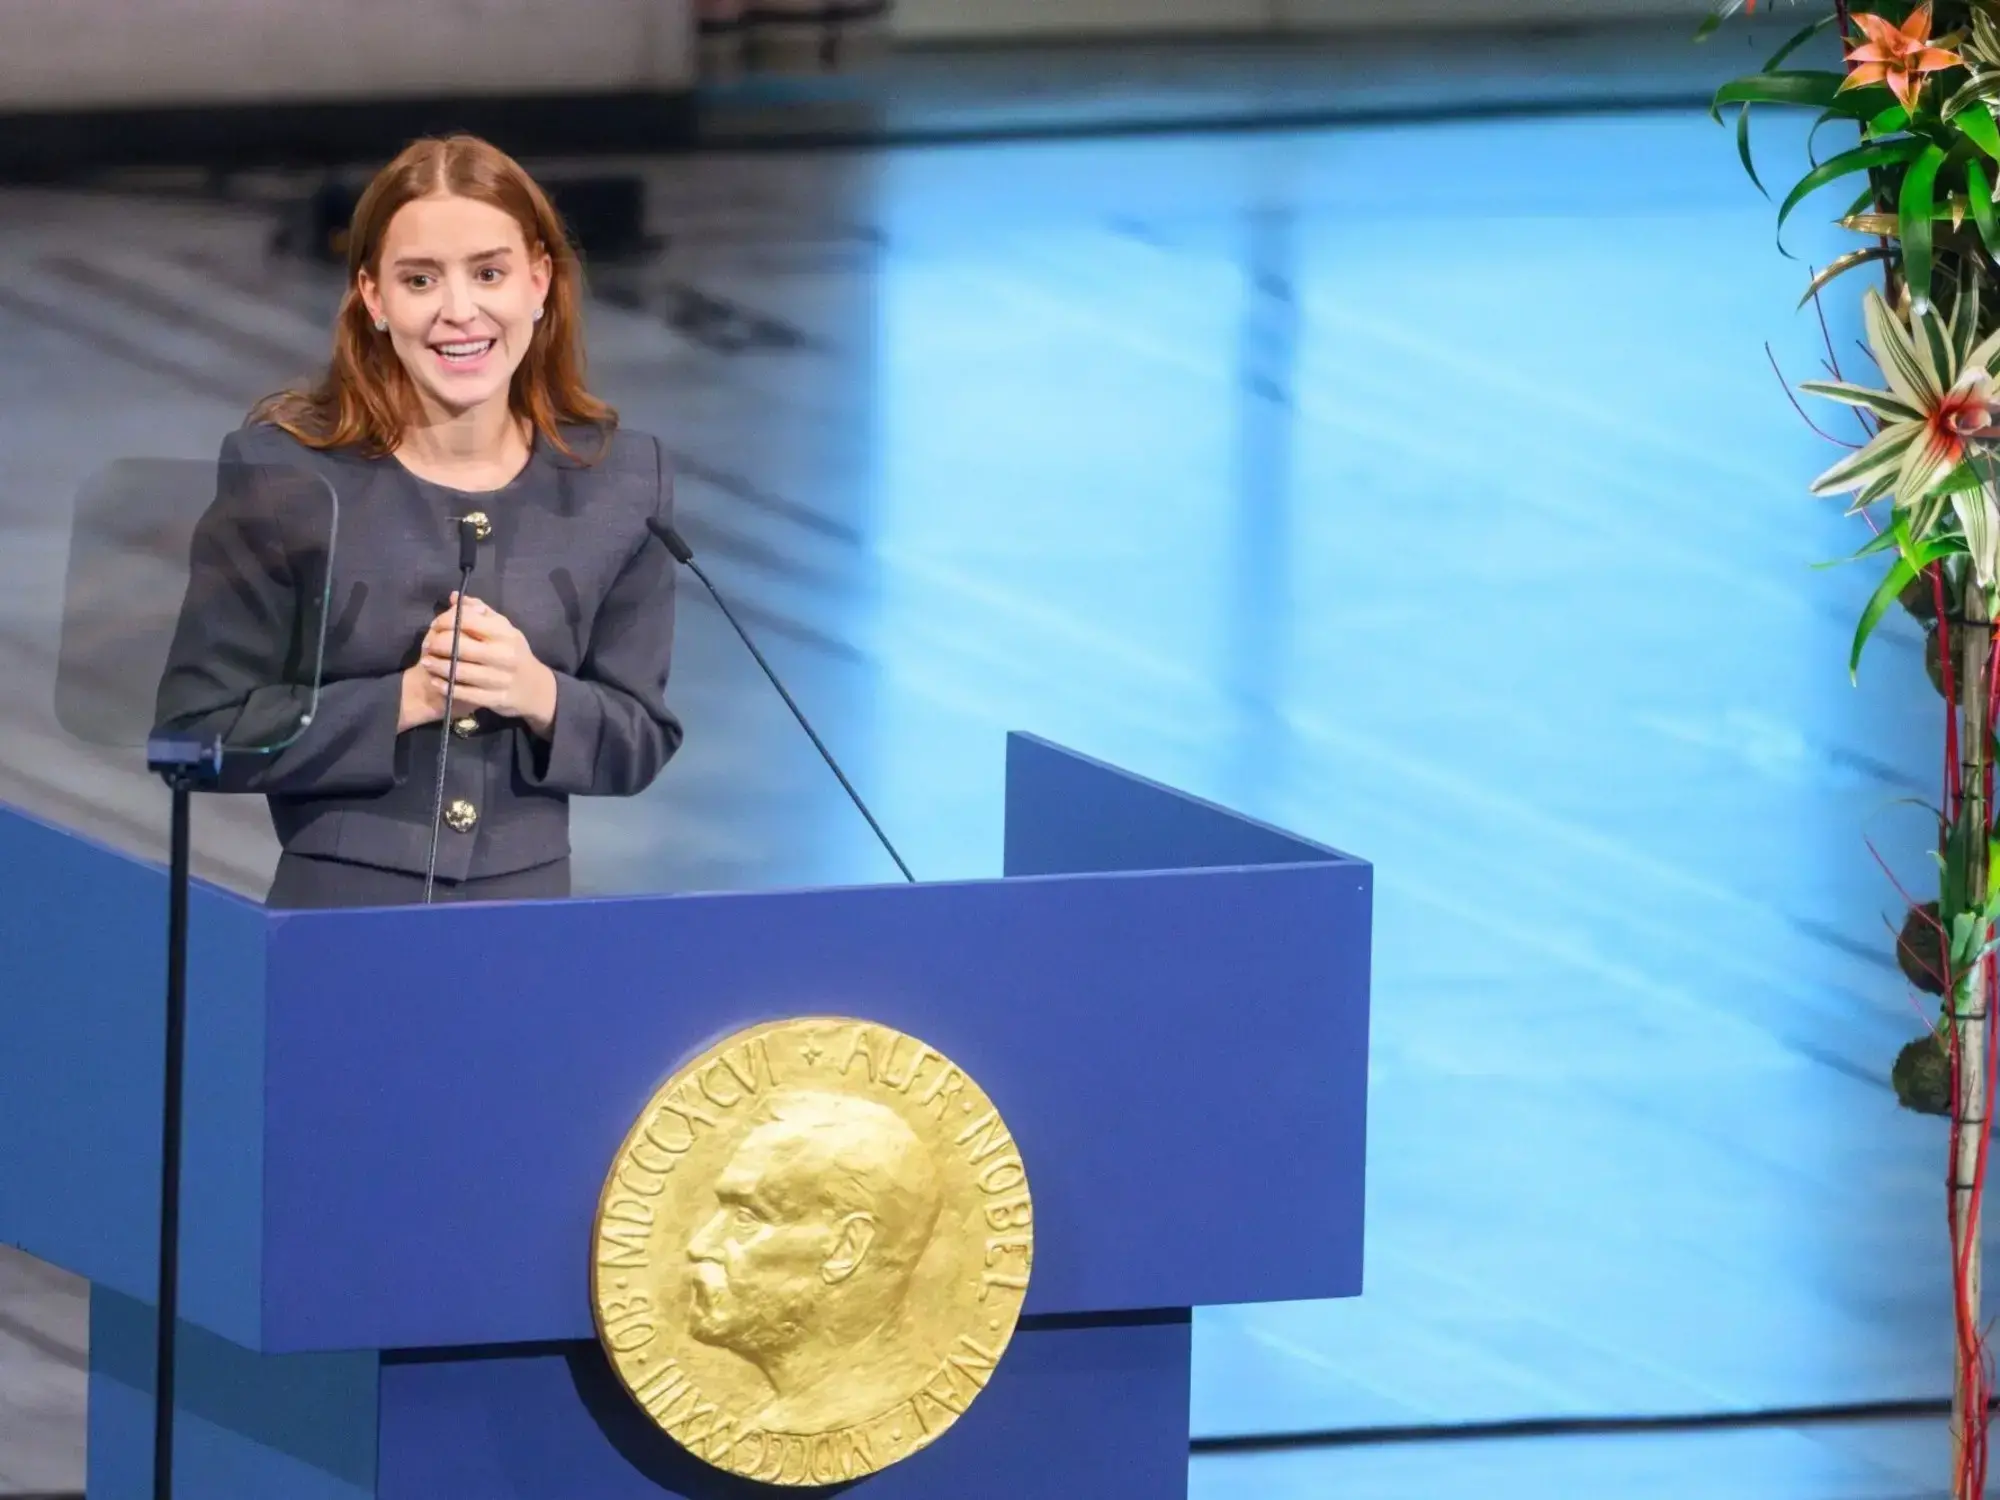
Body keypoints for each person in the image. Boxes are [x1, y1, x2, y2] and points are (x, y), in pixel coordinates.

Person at [155, 134, 682, 909]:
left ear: (539, 282)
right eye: (420, 279)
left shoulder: (619, 481)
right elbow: (195, 736)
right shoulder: (285, 476)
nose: (459, 311)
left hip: (530, 928)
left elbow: (642, 739)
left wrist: (538, 692)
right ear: (373, 297)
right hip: (339, 921)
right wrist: (404, 701)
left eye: (490, 273)